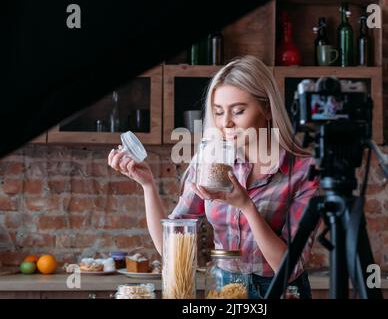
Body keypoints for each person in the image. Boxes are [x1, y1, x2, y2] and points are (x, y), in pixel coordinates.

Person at [108, 55, 319, 299]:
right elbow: (171, 247)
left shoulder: (303, 170)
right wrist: (147, 185)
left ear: (268, 109)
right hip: (223, 290)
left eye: (238, 111)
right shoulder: (212, 161)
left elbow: (289, 267)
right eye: (218, 112)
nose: (226, 123)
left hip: (281, 291)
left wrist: (246, 207)